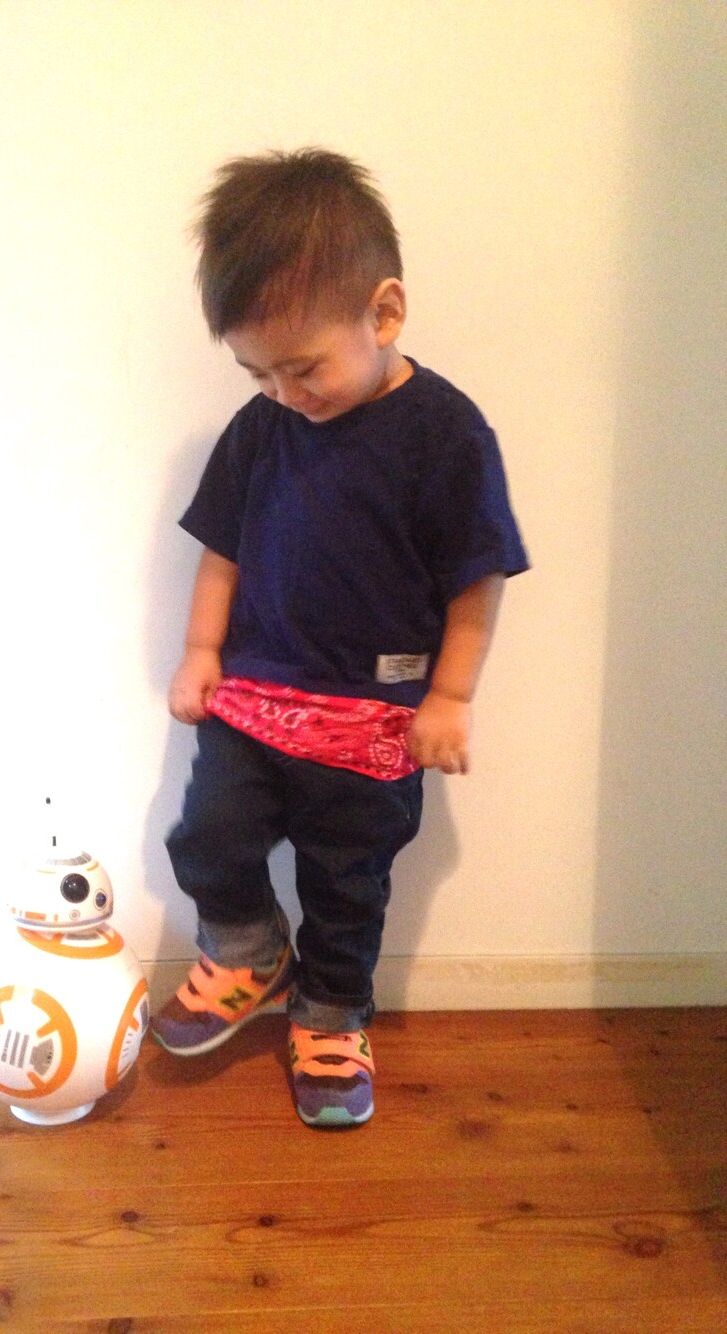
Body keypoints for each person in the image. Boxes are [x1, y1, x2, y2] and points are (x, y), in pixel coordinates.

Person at [151, 147, 529, 1128]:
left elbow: (475, 577)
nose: (284, 392)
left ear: (384, 312)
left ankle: (329, 1011)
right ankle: (245, 946)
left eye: (304, 367)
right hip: (255, 694)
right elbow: (223, 551)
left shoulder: (446, 435)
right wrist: (201, 653)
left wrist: (450, 697)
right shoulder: (260, 428)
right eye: (257, 372)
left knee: (345, 881)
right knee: (209, 831)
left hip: (376, 714)